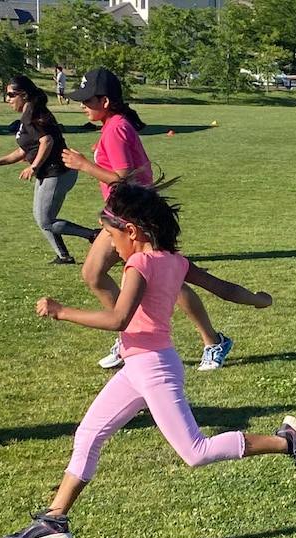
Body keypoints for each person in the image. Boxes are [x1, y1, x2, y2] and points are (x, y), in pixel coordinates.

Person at [0, 180, 296, 538]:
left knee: (195, 452)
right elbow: (222, 287)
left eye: (111, 237)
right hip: (140, 366)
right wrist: (257, 300)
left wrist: (61, 312)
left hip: (154, 369)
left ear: (132, 231)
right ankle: (54, 519)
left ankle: (288, 441)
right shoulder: (174, 261)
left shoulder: (139, 264)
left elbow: (119, 320)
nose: (110, 246)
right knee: (88, 435)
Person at [62, 67, 234, 370]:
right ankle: (130, 335)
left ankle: (214, 341)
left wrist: (83, 165)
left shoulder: (115, 128)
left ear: (104, 101)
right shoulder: (115, 124)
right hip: (122, 217)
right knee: (93, 273)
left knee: (170, 279)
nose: (82, 105)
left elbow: (122, 179)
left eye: (87, 100)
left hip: (137, 217)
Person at [0, 76, 97, 265]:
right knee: (42, 218)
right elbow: (22, 150)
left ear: (23, 95)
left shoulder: (32, 113)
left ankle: (92, 235)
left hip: (58, 171)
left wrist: (34, 166)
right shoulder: (28, 115)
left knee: (45, 220)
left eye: (10, 95)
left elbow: (46, 141)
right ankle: (63, 255)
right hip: (48, 172)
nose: (7, 99)